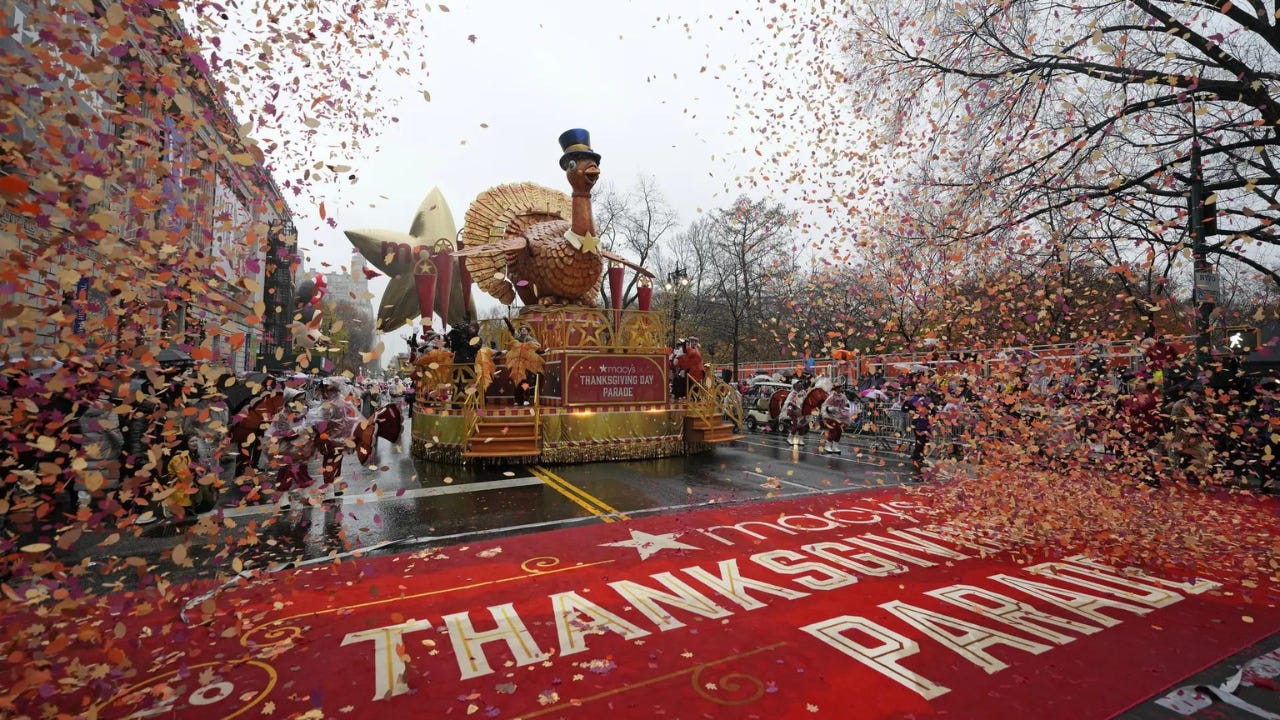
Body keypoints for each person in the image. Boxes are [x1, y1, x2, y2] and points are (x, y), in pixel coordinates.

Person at [310, 378, 361, 497]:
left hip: (330, 438)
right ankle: (337, 487)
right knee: (337, 461)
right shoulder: (345, 402)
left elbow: (321, 423)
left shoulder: (329, 405)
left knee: (329, 463)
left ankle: (329, 491)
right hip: (342, 438)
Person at [906, 381, 934, 479]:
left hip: (927, 423)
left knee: (925, 441)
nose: (924, 389)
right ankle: (915, 457)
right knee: (920, 440)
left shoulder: (928, 398)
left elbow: (933, 410)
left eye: (924, 387)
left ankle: (918, 456)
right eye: (922, 387)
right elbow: (906, 408)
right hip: (918, 423)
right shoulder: (914, 398)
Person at [511, 325, 542, 406]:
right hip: (517, 363)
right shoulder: (517, 338)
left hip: (527, 364)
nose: (523, 331)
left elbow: (538, 346)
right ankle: (517, 400)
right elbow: (512, 329)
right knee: (516, 383)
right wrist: (507, 321)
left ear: (528, 331)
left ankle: (526, 399)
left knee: (525, 382)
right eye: (521, 330)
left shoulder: (531, 339)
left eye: (524, 330)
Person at [819, 378, 850, 454]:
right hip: (831, 417)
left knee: (839, 431)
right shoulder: (831, 396)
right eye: (838, 388)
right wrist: (829, 409)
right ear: (835, 389)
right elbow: (825, 406)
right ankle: (828, 445)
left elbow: (846, 404)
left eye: (840, 388)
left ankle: (835, 446)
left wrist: (847, 408)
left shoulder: (843, 396)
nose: (839, 389)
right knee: (834, 430)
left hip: (839, 417)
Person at [783, 377, 810, 446]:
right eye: (798, 384)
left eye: (800, 384)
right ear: (795, 385)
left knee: (803, 425)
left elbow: (806, 400)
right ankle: (789, 438)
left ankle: (800, 439)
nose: (800, 385)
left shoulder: (803, 392)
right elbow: (788, 402)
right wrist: (787, 410)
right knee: (796, 424)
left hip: (801, 410)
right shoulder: (792, 393)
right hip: (794, 409)